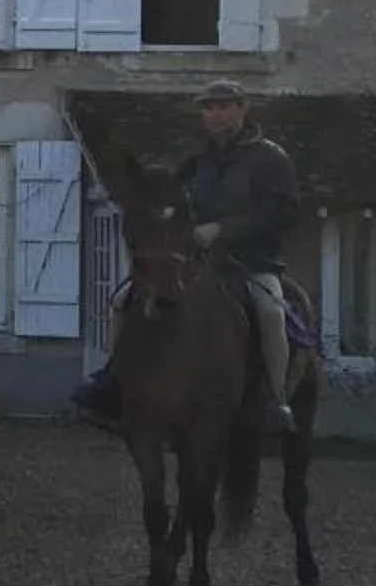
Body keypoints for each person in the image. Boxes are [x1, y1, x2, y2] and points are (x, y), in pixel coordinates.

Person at [73, 79, 300, 433]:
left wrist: (222, 229)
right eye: (209, 108)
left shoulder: (271, 158)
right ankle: (112, 379)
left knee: (270, 312)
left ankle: (276, 398)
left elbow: (283, 211)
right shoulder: (197, 161)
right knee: (122, 299)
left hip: (252, 261)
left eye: (224, 106)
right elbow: (178, 206)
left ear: (243, 109)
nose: (216, 114)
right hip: (196, 258)